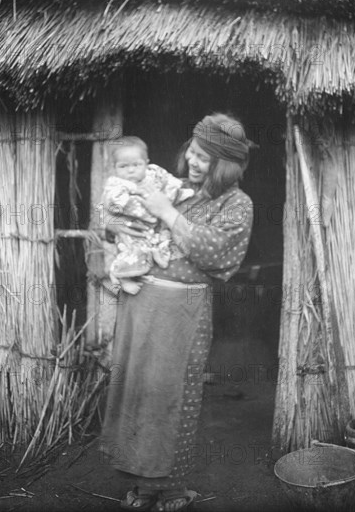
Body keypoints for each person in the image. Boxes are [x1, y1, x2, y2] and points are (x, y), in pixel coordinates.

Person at [99, 113, 256, 511]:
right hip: (141, 301)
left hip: (183, 311)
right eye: (193, 151)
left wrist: (167, 213)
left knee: (174, 399)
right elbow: (122, 213)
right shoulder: (177, 187)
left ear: (227, 164)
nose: (194, 161)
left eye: (205, 157)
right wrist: (115, 226)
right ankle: (142, 484)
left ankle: (171, 488)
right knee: (139, 394)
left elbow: (217, 254)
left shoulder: (237, 204)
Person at [101, 136, 194, 295]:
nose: (131, 170)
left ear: (146, 162)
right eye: (123, 166)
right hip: (133, 226)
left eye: (137, 165)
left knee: (163, 236)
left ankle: (158, 253)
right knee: (132, 250)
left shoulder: (153, 174)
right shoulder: (116, 185)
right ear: (114, 168)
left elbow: (168, 182)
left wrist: (176, 192)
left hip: (153, 227)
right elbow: (113, 205)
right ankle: (123, 276)